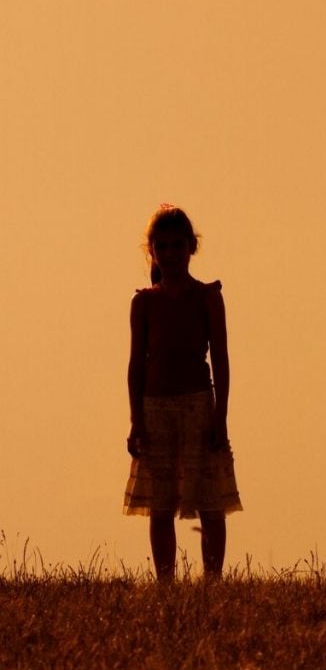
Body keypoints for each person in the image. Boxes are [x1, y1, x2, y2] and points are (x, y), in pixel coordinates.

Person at [124, 205, 243, 580]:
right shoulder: (144, 302)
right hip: (155, 408)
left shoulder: (207, 297)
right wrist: (136, 420)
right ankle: (166, 583)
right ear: (152, 251)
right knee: (160, 505)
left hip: (197, 406)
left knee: (210, 500)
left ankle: (213, 581)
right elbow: (136, 364)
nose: (171, 254)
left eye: (178, 245)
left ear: (192, 247)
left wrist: (220, 416)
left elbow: (221, 359)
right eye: (163, 246)